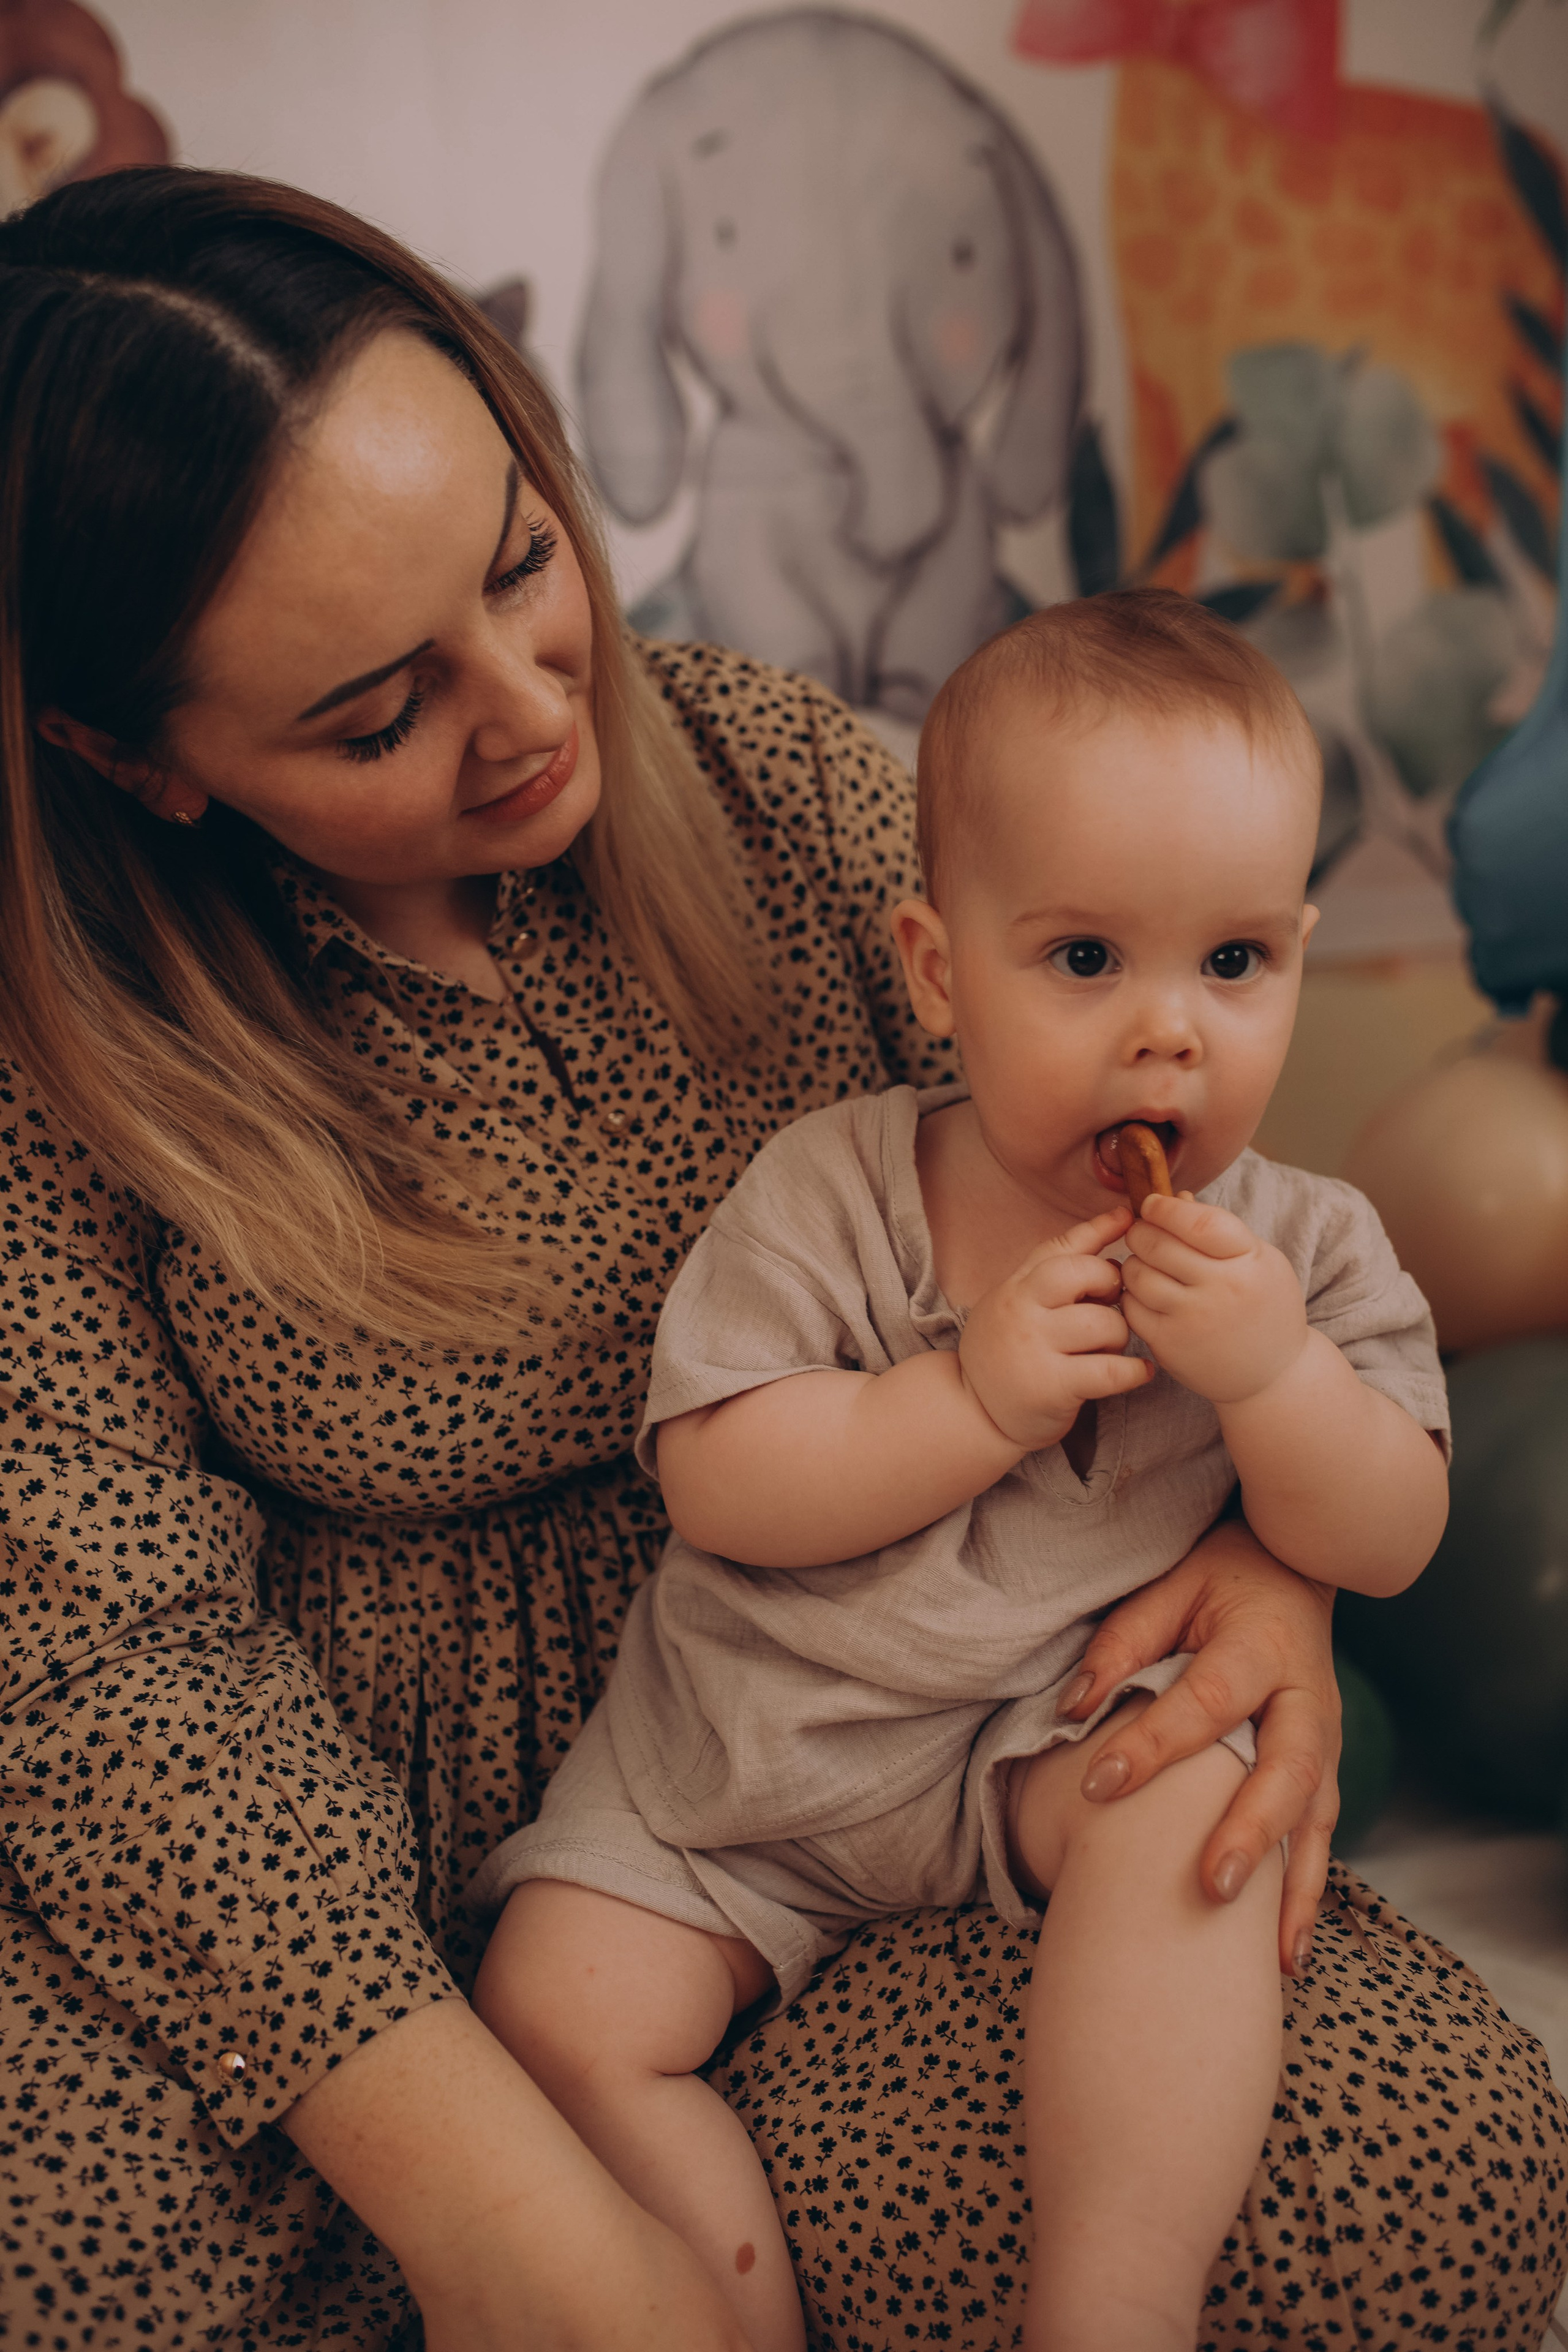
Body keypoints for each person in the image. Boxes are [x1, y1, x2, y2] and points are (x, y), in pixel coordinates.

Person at [0, 165, 1561, 2352]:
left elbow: (1126, 1028)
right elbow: (90, 1678)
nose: (535, 706)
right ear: (131, 757)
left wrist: (1276, 1542)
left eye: (527, 560)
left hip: (960, 1727)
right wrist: (501, 2214)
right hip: (373, 1881)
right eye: (375, 716)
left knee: (1415, 2183)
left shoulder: (767, 780)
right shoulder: (65, 1061)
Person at [469, 595, 1452, 2352]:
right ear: (940, 968)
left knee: (1192, 1822)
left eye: (1235, 964)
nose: (1172, 1036)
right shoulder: (830, 1189)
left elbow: (1388, 1534)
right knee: (552, 2003)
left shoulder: (1304, 1247)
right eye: (1086, 962)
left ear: (1300, 953)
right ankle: (719, 2289)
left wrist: (1278, 1378)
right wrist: (973, 1396)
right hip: (742, 1765)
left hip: (1036, 1748)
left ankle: (1112, 2300)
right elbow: (720, 1480)